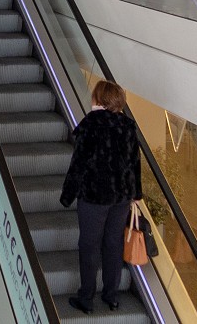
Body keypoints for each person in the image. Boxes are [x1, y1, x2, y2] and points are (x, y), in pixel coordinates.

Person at [60, 80, 142, 315]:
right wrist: (135, 193)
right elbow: (135, 163)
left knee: (89, 245)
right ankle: (111, 296)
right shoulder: (127, 126)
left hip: (94, 196)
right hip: (121, 197)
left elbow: (79, 164)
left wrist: (68, 195)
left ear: (99, 99)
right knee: (113, 243)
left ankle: (86, 298)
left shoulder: (91, 124)